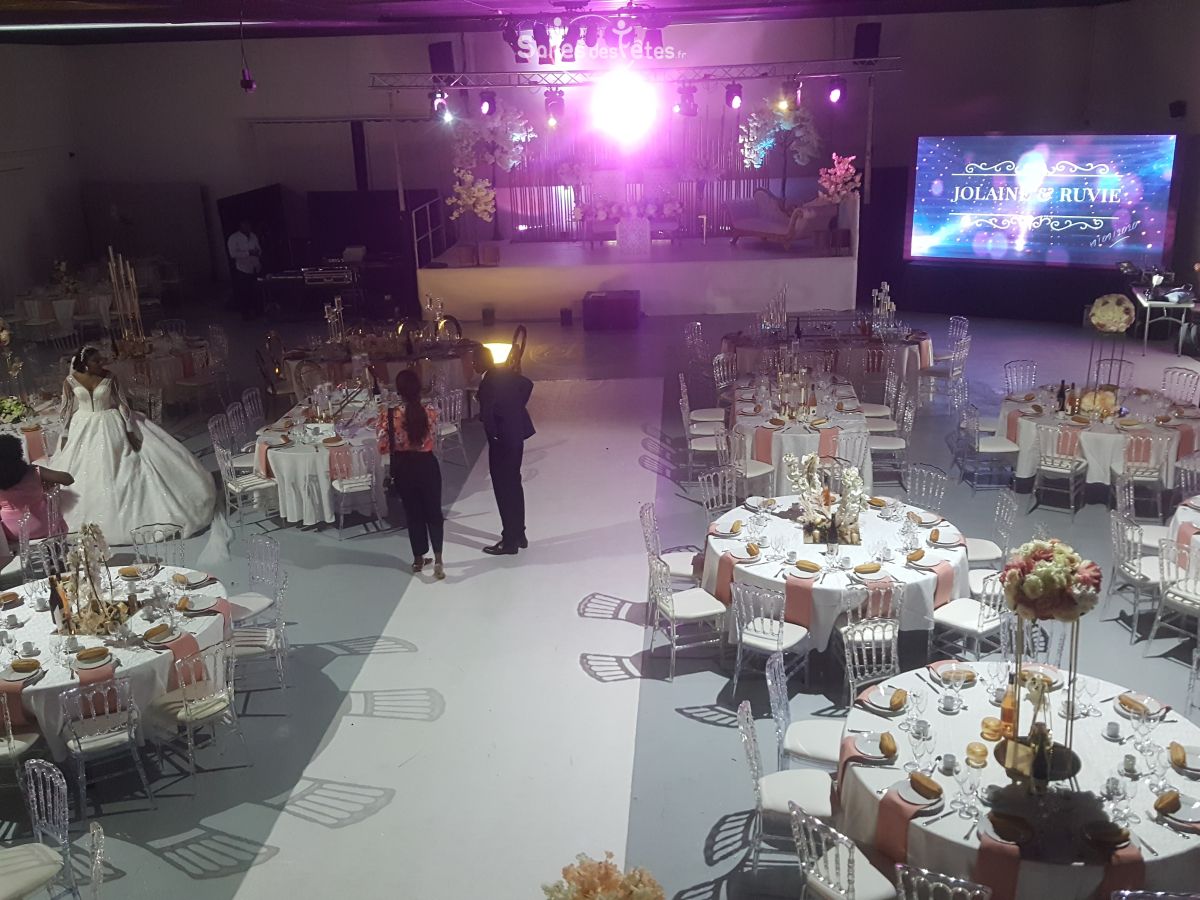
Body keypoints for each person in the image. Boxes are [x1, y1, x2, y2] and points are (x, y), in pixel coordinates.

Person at [53, 346, 217, 543]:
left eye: (101, 359)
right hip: (83, 425)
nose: (101, 363)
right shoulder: (70, 381)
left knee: (125, 464)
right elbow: (65, 409)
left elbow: (122, 404)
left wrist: (130, 430)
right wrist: (65, 434)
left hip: (110, 422)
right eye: (96, 360)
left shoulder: (110, 377)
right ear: (85, 364)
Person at [379, 369, 444, 579]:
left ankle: (418, 559)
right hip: (427, 465)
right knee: (434, 513)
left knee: (413, 514)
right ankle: (439, 559)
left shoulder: (390, 415)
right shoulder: (430, 412)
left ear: (399, 391)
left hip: (404, 467)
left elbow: (382, 446)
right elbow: (434, 436)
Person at [475, 345, 534, 555]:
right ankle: (519, 534)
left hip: (502, 441)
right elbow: (527, 384)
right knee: (514, 484)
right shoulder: (504, 372)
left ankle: (509, 541)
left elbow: (488, 414)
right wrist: (516, 408)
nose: (472, 365)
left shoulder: (487, 383)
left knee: (503, 488)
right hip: (516, 436)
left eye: (474, 361)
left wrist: (495, 433)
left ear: (482, 362)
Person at [0, 435, 74, 542]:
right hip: (44, 527)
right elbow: (68, 479)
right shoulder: (33, 471)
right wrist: (45, 482)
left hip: (11, 532)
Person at [226, 218, 262, 320]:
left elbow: (259, 248)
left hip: (255, 267)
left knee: (256, 291)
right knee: (244, 292)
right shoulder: (234, 238)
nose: (247, 227)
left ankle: (258, 312)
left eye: (249, 224)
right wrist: (248, 253)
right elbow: (233, 254)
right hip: (242, 269)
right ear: (241, 225)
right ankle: (245, 314)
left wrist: (258, 253)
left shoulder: (253, 236)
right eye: (245, 224)